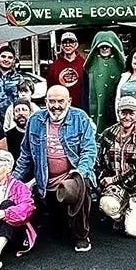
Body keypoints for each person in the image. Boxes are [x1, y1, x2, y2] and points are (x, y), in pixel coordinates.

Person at [14, 85, 97, 253]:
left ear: (69, 101)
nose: (56, 105)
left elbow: (89, 150)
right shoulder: (35, 120)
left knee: (80, 186)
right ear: (45, 102)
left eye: (60, 101)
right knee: (55, 224)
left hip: (71, 175)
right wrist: (13, 180)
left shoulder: (80, 118)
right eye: (52, 101)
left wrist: (79, 173)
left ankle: (82, 235)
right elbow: (26, 154)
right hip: (44, 179)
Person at [96, 96, 136, 238]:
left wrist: (114, 179)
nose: (127, 117)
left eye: (131, 113)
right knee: (106, 204)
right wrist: (103, 180)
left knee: (134, 231)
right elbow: (98, 162)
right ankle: (121, 216)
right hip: (116, 187)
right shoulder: (107, 135)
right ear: (118, 113)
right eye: (124, 113)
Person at [84, 31, 126, 130]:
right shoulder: (90, 66)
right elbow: (85, 90)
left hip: (116, 109)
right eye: (101, 47)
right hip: (95, 110)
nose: (104, 49)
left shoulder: (121, 66)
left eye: (107, 46)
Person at [0, 44, 28, 121]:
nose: (6, 60)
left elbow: (23, 100)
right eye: (3, 56)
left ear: (13, 60)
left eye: (10, 58)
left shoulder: (19, 78)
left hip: (12, 120)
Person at [47, 31, 88, 109]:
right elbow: (50, 89)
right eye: (65, 42)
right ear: (61, 45)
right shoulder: (54, 67)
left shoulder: (84, 64)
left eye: (71, 42)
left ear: (76, 45)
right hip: (60, 108)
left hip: (81, 108)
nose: (68, 45)